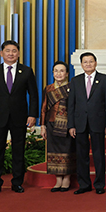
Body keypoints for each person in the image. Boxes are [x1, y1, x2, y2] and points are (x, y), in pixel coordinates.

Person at [0, 40, 38, 195]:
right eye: (7, 51)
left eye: (14, 51)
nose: (11, 53)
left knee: (18, 151)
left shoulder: (26, 71)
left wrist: (33, 115)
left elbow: (34, 96)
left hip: (20, 117)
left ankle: (17, 182)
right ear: (1, 53)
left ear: (18, 53)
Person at [67, 52, 106, 195]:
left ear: (96, 63)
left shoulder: (105, 80)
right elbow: (71, 105)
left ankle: (99, 184)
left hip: (98, 122)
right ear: (81, 64)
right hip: (80, 123)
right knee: (82, 155)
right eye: (85, 62)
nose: (88, 64)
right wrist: (71, 125)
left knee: (99, 154)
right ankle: (84, 184)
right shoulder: (75, 81)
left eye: (91, 61)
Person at [40, 61, 76, 192]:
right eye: (56, 71)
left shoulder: (73, 87)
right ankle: (58, 180)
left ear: (67, 73)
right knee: (53, 151)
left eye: (62, 71)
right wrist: (43, 126)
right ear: (52, 73)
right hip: (51, 123)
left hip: (68, 125)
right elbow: (43, 108)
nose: (58, 73)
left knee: (67, 151)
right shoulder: (48, 88)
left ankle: (66, 179)